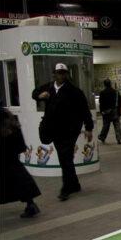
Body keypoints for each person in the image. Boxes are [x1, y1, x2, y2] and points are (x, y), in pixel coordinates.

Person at [32, 63, 94, 201]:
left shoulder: (74, 91)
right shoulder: (48, 87)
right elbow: (34, 93)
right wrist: (40, 95)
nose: (61, 75)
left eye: (63, 73)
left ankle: (66, 188)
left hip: (69, 131)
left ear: (66, 74)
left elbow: (85, 110)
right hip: (53, 130)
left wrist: (89, 128)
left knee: (65, 158)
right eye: (58, 73)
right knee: (65, 159)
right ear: (54, 73)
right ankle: (75, 184)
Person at [0, 108, 41, 218]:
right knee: (20, 179)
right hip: (11, 157)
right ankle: (30, 203)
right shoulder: (9, 118)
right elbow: (19, 143)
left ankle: (31, 205)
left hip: (4, 158)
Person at [98, 79, 121, 144]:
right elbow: (119, 102)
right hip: (115, 111)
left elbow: (101, 103)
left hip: (106, 112)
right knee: (117, 125)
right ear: (110, 84)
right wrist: (119, 112)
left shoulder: (102, 92)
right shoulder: (116, 92)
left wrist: (101, 111)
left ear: (104, 84)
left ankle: (102, 137)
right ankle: (119, 139)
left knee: (106, 125)